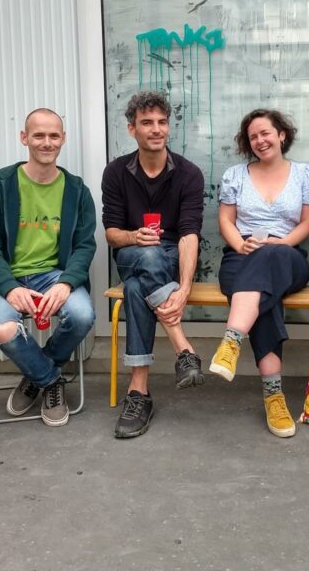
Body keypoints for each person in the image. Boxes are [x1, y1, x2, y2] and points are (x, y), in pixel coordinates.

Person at [0, 108, 97, 427]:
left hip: (54, 275)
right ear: (24, 138)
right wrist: (9, 287)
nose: (46, 142)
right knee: (4, 328)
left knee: (82, 315)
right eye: (39, 135)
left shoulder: (77, 190)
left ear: (63, 140)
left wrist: (67, 282)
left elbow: (85, 245)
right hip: (6, 278)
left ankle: (35, 374)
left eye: (54, 136)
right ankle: (50, 379)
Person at [208, 109, 309, 438]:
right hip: (240, 259)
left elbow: (308, 223)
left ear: (282, 134)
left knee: (269, 262)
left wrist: (280, 244)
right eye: (253, 136)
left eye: (266, 133)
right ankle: (274, 396)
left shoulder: (304, 174)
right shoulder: (235, 175)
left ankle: (231, 341)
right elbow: (226, 221)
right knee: (263, 300)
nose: (260, 140)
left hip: (289, 258)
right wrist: (240, 244)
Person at [101, 90, 206, 439]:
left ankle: (139, 392)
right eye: (147, 123)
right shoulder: (116, 172)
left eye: (162, 122)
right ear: (132, 129)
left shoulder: (188, 174)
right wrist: (134, 237)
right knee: (144, 257)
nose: (156, 129)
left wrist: (186, 288)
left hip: (172, 258)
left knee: (135, 286)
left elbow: (190, 234)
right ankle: (183, 347)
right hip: (131, 251)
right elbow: (112, 234)